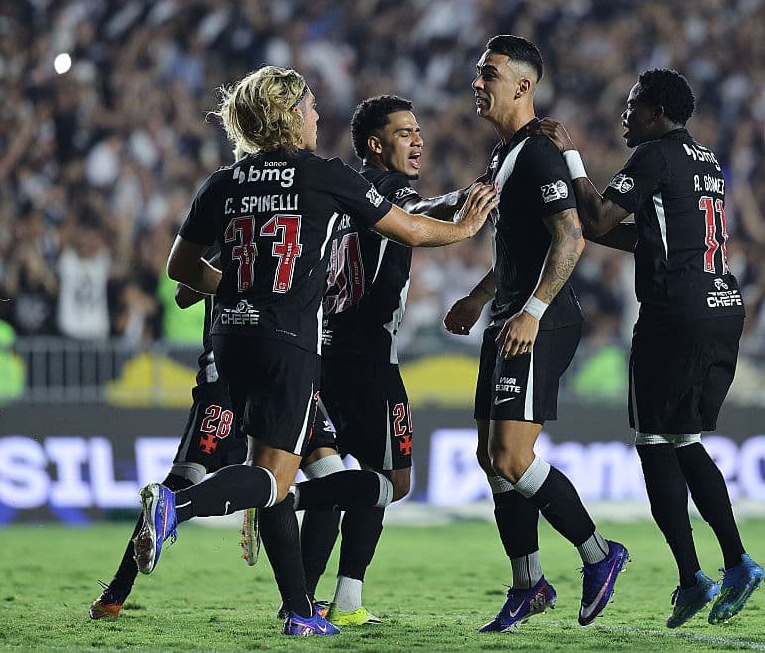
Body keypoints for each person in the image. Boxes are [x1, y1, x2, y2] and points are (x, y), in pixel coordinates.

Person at [139, 65, 498, 636]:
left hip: (231, 337)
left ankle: (300, 612)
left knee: (273, 472)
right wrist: (466, 227)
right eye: (308, 106)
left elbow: (180, 268)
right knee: (273, 480)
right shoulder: (321, 175)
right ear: (288, 113)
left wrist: (238, 287)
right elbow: (408, 228)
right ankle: (175, 508)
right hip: (290, 342)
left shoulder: (223, 181)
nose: (316, 115)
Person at [536, 68, 764, 628]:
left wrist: (571, 159)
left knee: (654, 442)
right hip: (722, 306)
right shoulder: (705, 160)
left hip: (674, 312)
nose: (625, 114)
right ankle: (731, 562)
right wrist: (585, 227)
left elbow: (596, 216)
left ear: (658, 113)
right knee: (683, 438)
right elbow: (638, 235)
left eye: (634, 105)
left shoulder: (654, 156)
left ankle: (696, 577)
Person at [443, 35, 628, 633]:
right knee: (490, 459)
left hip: (538, 321)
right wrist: (479, 296)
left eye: (488, 74)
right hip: (508, 316)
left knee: (511, 455)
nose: (478, 83)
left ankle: (599, 554)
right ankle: (529, 585)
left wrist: (534, 310)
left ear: (522, 86)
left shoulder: (540, 154)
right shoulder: (503, 156)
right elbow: (518, 247)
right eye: (478, 73)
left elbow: (570, 237)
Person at [291, 95, 478, 627]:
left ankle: (306, 602)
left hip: (322, 355)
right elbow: (417, 213)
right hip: (370, 360)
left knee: (336, 477)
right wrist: (469, 203)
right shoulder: (390, 193)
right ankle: (324, 566)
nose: (418, 140)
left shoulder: (337, 191)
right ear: (376, 145)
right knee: (390, 482)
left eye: (418, 131)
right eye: (404, 133)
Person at [89, 254, 250, 620]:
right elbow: (181, 294)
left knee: (270, 476)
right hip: (237, 381)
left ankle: (116, 592)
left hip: (247, 382)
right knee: (270, 477)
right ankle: (303, 601)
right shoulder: (241, 234)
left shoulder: (254, 234)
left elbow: (182, 294)